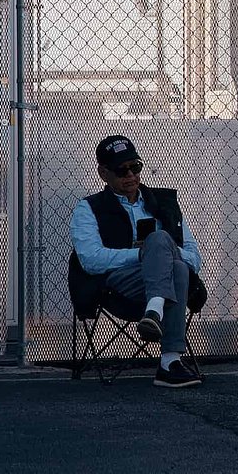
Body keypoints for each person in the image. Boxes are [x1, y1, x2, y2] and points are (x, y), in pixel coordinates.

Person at [69, 134, 204, 388]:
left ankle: (155, 312)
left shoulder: (165, 204)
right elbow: (91, 260)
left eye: (136, 167)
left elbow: (194, 258)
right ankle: (169, 361)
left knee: (173, 260)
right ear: (103, 173)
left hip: (164, 283)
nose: (130, 175)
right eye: (121, 170)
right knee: (164, 251)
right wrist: (143, 254)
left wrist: (161, 251)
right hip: (120, 287)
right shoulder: (88, 208)